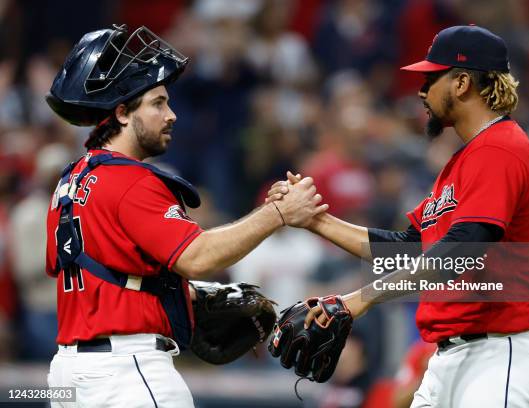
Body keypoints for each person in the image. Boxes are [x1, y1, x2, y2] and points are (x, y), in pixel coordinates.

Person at [268, 25, 529, 407]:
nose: (422, 91)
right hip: (455, 356)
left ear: (461, 83)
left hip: (505, 352)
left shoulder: (501, 149)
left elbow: (461, 251)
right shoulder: (463, 161)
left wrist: (359, 299)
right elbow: (407, 247)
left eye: (431, 78)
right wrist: (314, 220)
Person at [44, 25, 327, 408]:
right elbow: (197, 257)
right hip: (127, 372)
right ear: (123, 113)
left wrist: (185, 296)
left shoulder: (72, 179)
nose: (172, 114)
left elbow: (111, 275)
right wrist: (278, 213)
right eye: (158, 103)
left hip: (68, 375)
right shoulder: (129, 180)